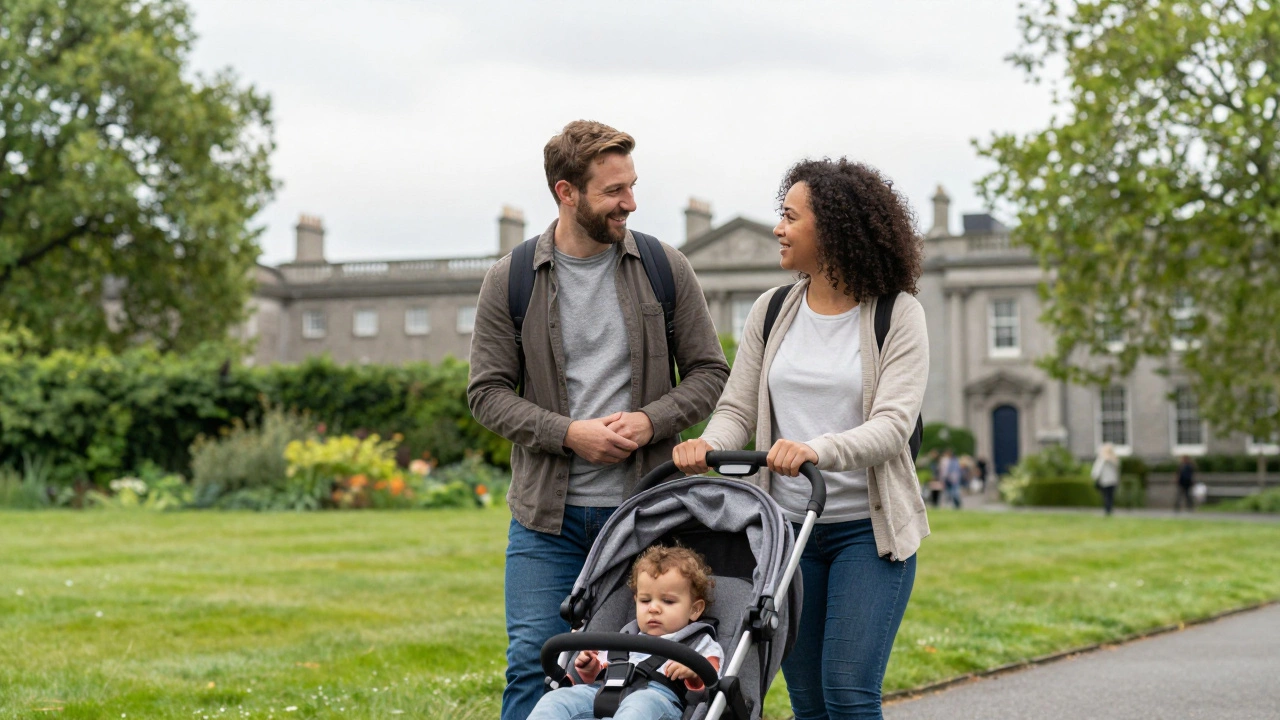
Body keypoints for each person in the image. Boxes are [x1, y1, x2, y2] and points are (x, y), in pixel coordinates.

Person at [467, 120, 729, 720]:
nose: (629, 203)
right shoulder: (509, 280)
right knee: (534, 664)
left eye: (632, 187)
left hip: (647, 516)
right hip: (545, 523)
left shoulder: (665, 267)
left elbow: (710, 373)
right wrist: (568, 434)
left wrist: (650, 420)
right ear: (567, 192)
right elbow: (486, 393)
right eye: (614, 191)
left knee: (646, 674)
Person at [672, 158, 930, 719]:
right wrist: (706, 444)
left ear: (832, 230)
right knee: (808, 700)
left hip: (869, 532)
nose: (777, 228)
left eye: (790, 216)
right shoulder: (771, 310)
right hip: (785, 534)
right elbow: (737, 406)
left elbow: (892, 425)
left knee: (848, 690)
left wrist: (819, 448)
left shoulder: (897, 314)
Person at [527, 546, 724, 720]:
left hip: (657, 699)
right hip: (603, 691)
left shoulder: (700, 641)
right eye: (645, 601)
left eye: (668, 601)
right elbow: (600, 672)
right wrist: (589, 668)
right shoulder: (625, 636)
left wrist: (694, 674)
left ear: (694, 609)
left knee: (639, 706)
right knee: (556, 700)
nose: (653, 608)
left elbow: (712, 682)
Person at [1091, 443, 1121, 516]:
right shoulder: (1102, 459)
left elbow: (1117, 468)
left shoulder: (1114, 459)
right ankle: (1107, 509)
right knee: (1107, 496)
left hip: (1111, 481)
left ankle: (1108, 510)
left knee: (1109, 496)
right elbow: (1097, 469)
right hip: (1105, 481)